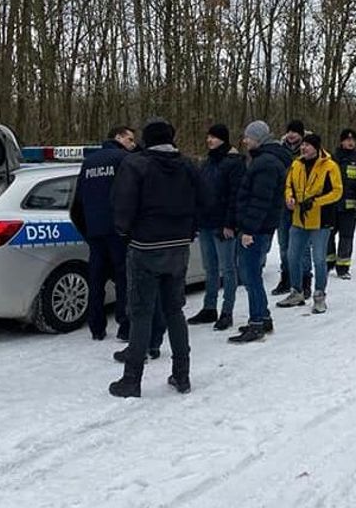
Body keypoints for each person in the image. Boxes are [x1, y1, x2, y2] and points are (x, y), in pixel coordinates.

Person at [108, 118, 202, 398]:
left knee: (141, 313)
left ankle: (132, 379)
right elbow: (205, 200)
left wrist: (125, 232)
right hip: (178, 246)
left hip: (145, 246)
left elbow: (121, 205)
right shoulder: (188, 166)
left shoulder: (136, 165)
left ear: (147, 140)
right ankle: (182, 374)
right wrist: (189, 229)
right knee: (175, 310)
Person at [70, 125, 137, 341]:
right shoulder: (123, 159)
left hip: (95, 232)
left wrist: (88, 231)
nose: (133, 144)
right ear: (118, 137)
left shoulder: (89, 162)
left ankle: (96, 327)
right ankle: (124, 325)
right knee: (123, 279)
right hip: (119, 231)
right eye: (130, 139)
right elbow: (130, 195)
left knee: (96, 280)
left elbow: (77, 203)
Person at [228, 121, 291, 344]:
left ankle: (256, 323)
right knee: (252, 274)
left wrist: (248, 230)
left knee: (251, 276)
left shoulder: (265, 163)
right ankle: (263, 317)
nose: (245, 141)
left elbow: (259, 201)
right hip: (262, 228)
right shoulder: (267, 159)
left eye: (248, 137)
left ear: (258, 138)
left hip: (255, 230)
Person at [187, 124, 246, 331]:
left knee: (228, 269)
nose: (209, 140)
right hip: (205, 223)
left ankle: (227, 311)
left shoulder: (234, 163)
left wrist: (230, 223)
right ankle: (209, 307)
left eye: (213, 137)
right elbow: (199, 193)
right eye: (208, 136)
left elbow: (235, 195)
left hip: (223, 225)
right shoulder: (207, 163)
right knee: (209, 269)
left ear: (223, 139)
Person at [276, 134, 342, 313]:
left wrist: (316, 201)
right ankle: (296, 292)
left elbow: (337, 191)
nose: (304, 148)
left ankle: (319, 295)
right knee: (292, 256)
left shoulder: (330, 166)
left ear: (316, 147)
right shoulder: (296, 164)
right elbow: (288, 185)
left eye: (307, 145)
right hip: (299, 218)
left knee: (319, 259)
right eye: (302, 145)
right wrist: (289, 197)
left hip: (321, 220)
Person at [270, 120, 312, 296]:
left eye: (295, 132)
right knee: (284, 244)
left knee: (302, 246)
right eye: (289, 132)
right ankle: (286, 278)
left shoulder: (310, 151)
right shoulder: (279, 151)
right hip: (282, 203)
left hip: (303, 205)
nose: (292, 135)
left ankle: (305, 280)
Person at [327, 128, 356, 279]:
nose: (350, 142)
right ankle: (328, 263)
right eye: (347, 140)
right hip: (332, 205)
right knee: (328, 235)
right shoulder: (332, 158)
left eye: (353, 140)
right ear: (341, 141)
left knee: (346, 237)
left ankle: (343, 267)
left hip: (350, 206)